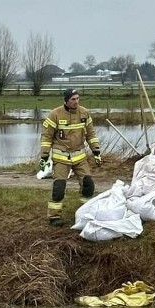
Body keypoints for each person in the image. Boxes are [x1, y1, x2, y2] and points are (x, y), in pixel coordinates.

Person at [39, 88, 102, 226]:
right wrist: (44, 156)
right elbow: (46, 136)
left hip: (79, 156)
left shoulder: (84, 113)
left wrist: (96, 151)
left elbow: (91, 134)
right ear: (66, 100)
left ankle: (85, 213)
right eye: (73, 99)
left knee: (88, 185)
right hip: (61, 157)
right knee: (59, 188)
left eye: (78, 98)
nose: (76, 102)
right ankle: (54, 217)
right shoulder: (55, 114)